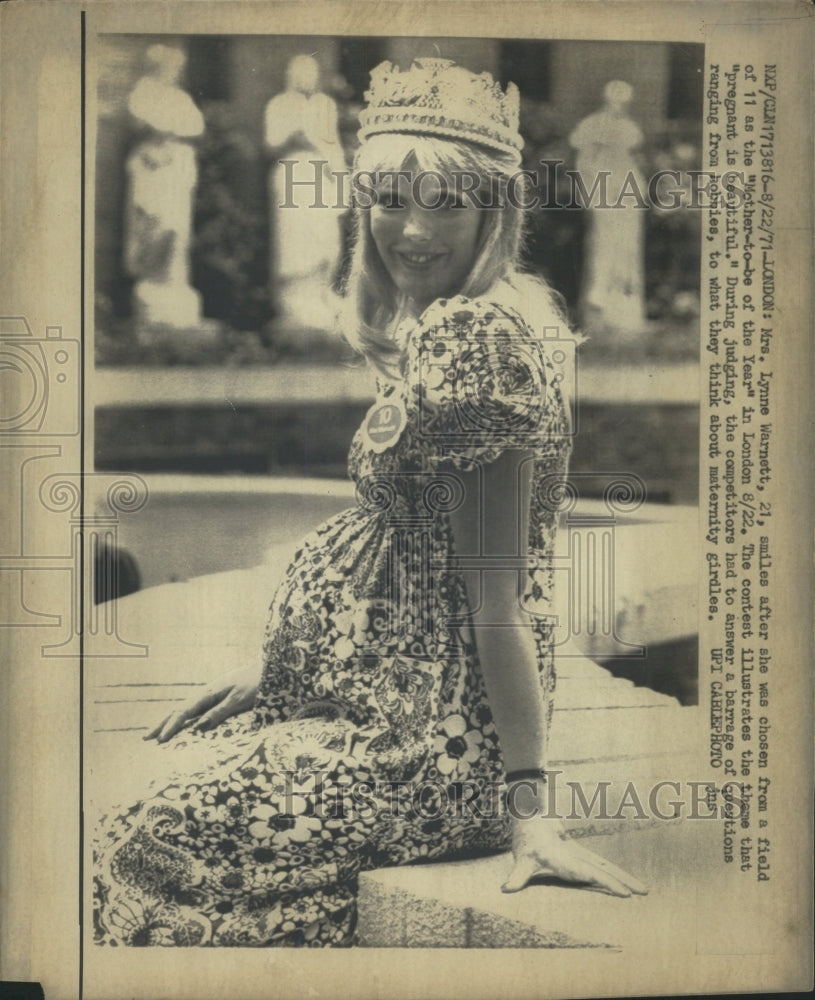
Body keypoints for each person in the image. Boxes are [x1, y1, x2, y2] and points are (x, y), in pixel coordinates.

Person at [93, 57, 646, 948]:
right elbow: (423, 563)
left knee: (139, 838)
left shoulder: (471, 337)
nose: (410, 230)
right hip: (389, 700)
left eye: (443, 203)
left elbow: (498, 598)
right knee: (162, 786)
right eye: (389, 198)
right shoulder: (493, 312)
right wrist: (284, 673)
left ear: (491, 212)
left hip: (426, 742)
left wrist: (531, 810)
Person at [264, 54, 346, 331]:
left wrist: (339, 182)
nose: (305, 79)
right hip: (293, 174)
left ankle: (320, 293)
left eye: (310, 73)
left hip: (320, 175)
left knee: (325, 238)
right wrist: (292, 138)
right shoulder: (279, 105)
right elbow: (271, 144)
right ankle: (295, 300)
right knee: (296, 239)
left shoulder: (325, 105)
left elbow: (332, 146)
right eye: (300, 73)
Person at [569, 80, 648, 340]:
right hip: (605, 202)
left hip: (625, 203)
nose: (619, 105)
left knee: (626, 255)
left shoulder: (627, 130)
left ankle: (624, 315)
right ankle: (598, 311)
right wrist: (591, 197)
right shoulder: (593, 128)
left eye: (624, 101)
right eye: (615, 99)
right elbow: (584, 165)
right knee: (603, 251)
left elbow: (633, 172)